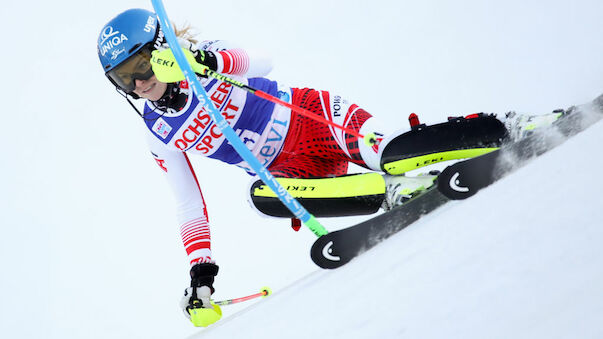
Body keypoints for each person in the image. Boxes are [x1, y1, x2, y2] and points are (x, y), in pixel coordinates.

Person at [97, 8, 563, 326]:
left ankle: (509, 127)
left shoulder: (203, 61)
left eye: (143, 66)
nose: (140, 83)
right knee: (261, 198)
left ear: (161, 49)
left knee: (393, 155)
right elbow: (187, 201)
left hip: (314, 119)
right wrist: (201, 272)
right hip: (292, 170)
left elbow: (261, 59)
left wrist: (201, 61)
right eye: (124, 78)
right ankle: (396, 194)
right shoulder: (158, 133)